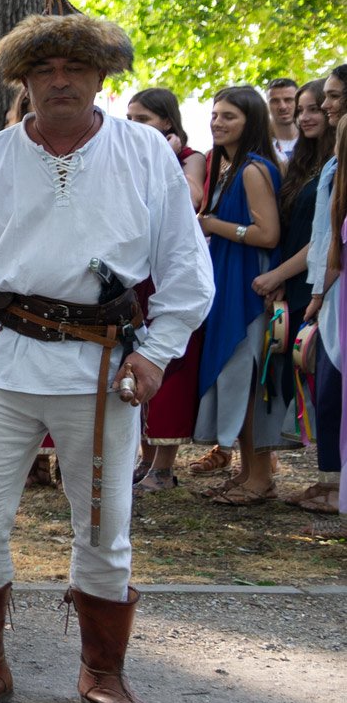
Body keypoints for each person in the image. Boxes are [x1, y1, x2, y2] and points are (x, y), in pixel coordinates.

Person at [0, 13, 210, 703]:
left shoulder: (143, 154)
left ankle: (102, 672)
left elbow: (185, 270)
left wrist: (156, 348)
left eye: (74, 68)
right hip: (6, 365)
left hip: (103, 370)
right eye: (44, 71)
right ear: (25, 82)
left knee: (105, 527)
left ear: (100, 77)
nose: (60, 81)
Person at [185, 86, 282, 504]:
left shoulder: (252, 171)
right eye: (215, 114)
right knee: (233, 379)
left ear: (251, 122)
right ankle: (246, 473)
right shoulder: (225, 167)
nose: (217, 122)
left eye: (229, 116)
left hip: (248, 286)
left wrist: (213, 225)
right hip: (226, 282)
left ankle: (260, 478)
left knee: (248, 383)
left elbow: (268, 233)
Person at [127, 87, 210, 492]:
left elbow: (192, 197)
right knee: (135, 356)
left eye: (143, 119)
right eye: (130, 119)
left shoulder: (188, 157)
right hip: (138, 273)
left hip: (172, 271)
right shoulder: (129, 154)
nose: (134, 126)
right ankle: (144, 460)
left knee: (171, 364)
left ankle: (164, 465)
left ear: (167, 122)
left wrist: (166, 154)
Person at [253, 82, 328, 470]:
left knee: (327, 384)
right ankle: (329, 480)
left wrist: (277, 273)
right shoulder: (304, 161)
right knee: (303, 381)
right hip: (297, 284)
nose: (306, 116)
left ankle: (333, 485)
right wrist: (282, 276)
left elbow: (326, 239)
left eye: (315, 107)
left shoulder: (336, 163)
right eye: (302, 110)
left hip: (325, 285)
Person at [296, 65, 347, 518]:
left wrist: (318, 291)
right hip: (329, 287)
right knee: (327, 388)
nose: (325, 105)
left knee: (334, 385)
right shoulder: (333, 160)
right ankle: (332, 479)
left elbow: (335, 235)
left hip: (336, 288)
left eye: (332, 97)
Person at [266, 77, 299, 168]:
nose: (282, 106)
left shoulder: (313, 139)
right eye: (275, 101)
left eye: (288, 100)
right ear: (267, 105)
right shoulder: (259, 144)